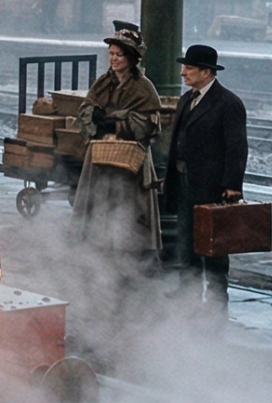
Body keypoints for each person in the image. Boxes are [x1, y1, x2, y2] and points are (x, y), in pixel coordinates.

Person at [166, 44, 248, 308]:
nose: (183, 73)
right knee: (186, 240)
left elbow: (237, 148)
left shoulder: (228, 103)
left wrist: (232, 185)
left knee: (214, 245)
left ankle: (216, 298)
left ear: (206, 72)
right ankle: (187, 291)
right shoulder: (186, 99)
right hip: (184, 182)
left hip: (211, 187)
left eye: (189, 68)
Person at [73, 27, 162, 259]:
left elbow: (149, 123)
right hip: (101, 156)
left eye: (119, 55)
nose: (113, 58)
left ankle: (129, 257)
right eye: (111, 53)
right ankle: (97, 254)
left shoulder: (143, 87)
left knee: (129, 208)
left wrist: (116, 122)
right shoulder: (103, 83)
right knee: (98, 203)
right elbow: (85, 109)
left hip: (130, 161)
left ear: (131, 58)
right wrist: (94, 118)